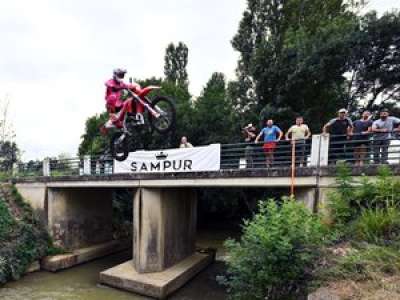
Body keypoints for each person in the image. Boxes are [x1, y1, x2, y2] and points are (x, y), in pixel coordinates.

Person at [101, 68, 144, 134]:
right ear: (115, 75)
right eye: (120, 75)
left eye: (122, 75)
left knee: (129, 101)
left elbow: (127, 86)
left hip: (118, 104)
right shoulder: (111, 81)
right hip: (111, 104)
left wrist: (134, 86)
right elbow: (106, 83)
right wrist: (114, 86)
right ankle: (111, 122)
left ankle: (131, 118)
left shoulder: (121, 83)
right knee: (113, 97)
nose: (121, 77)